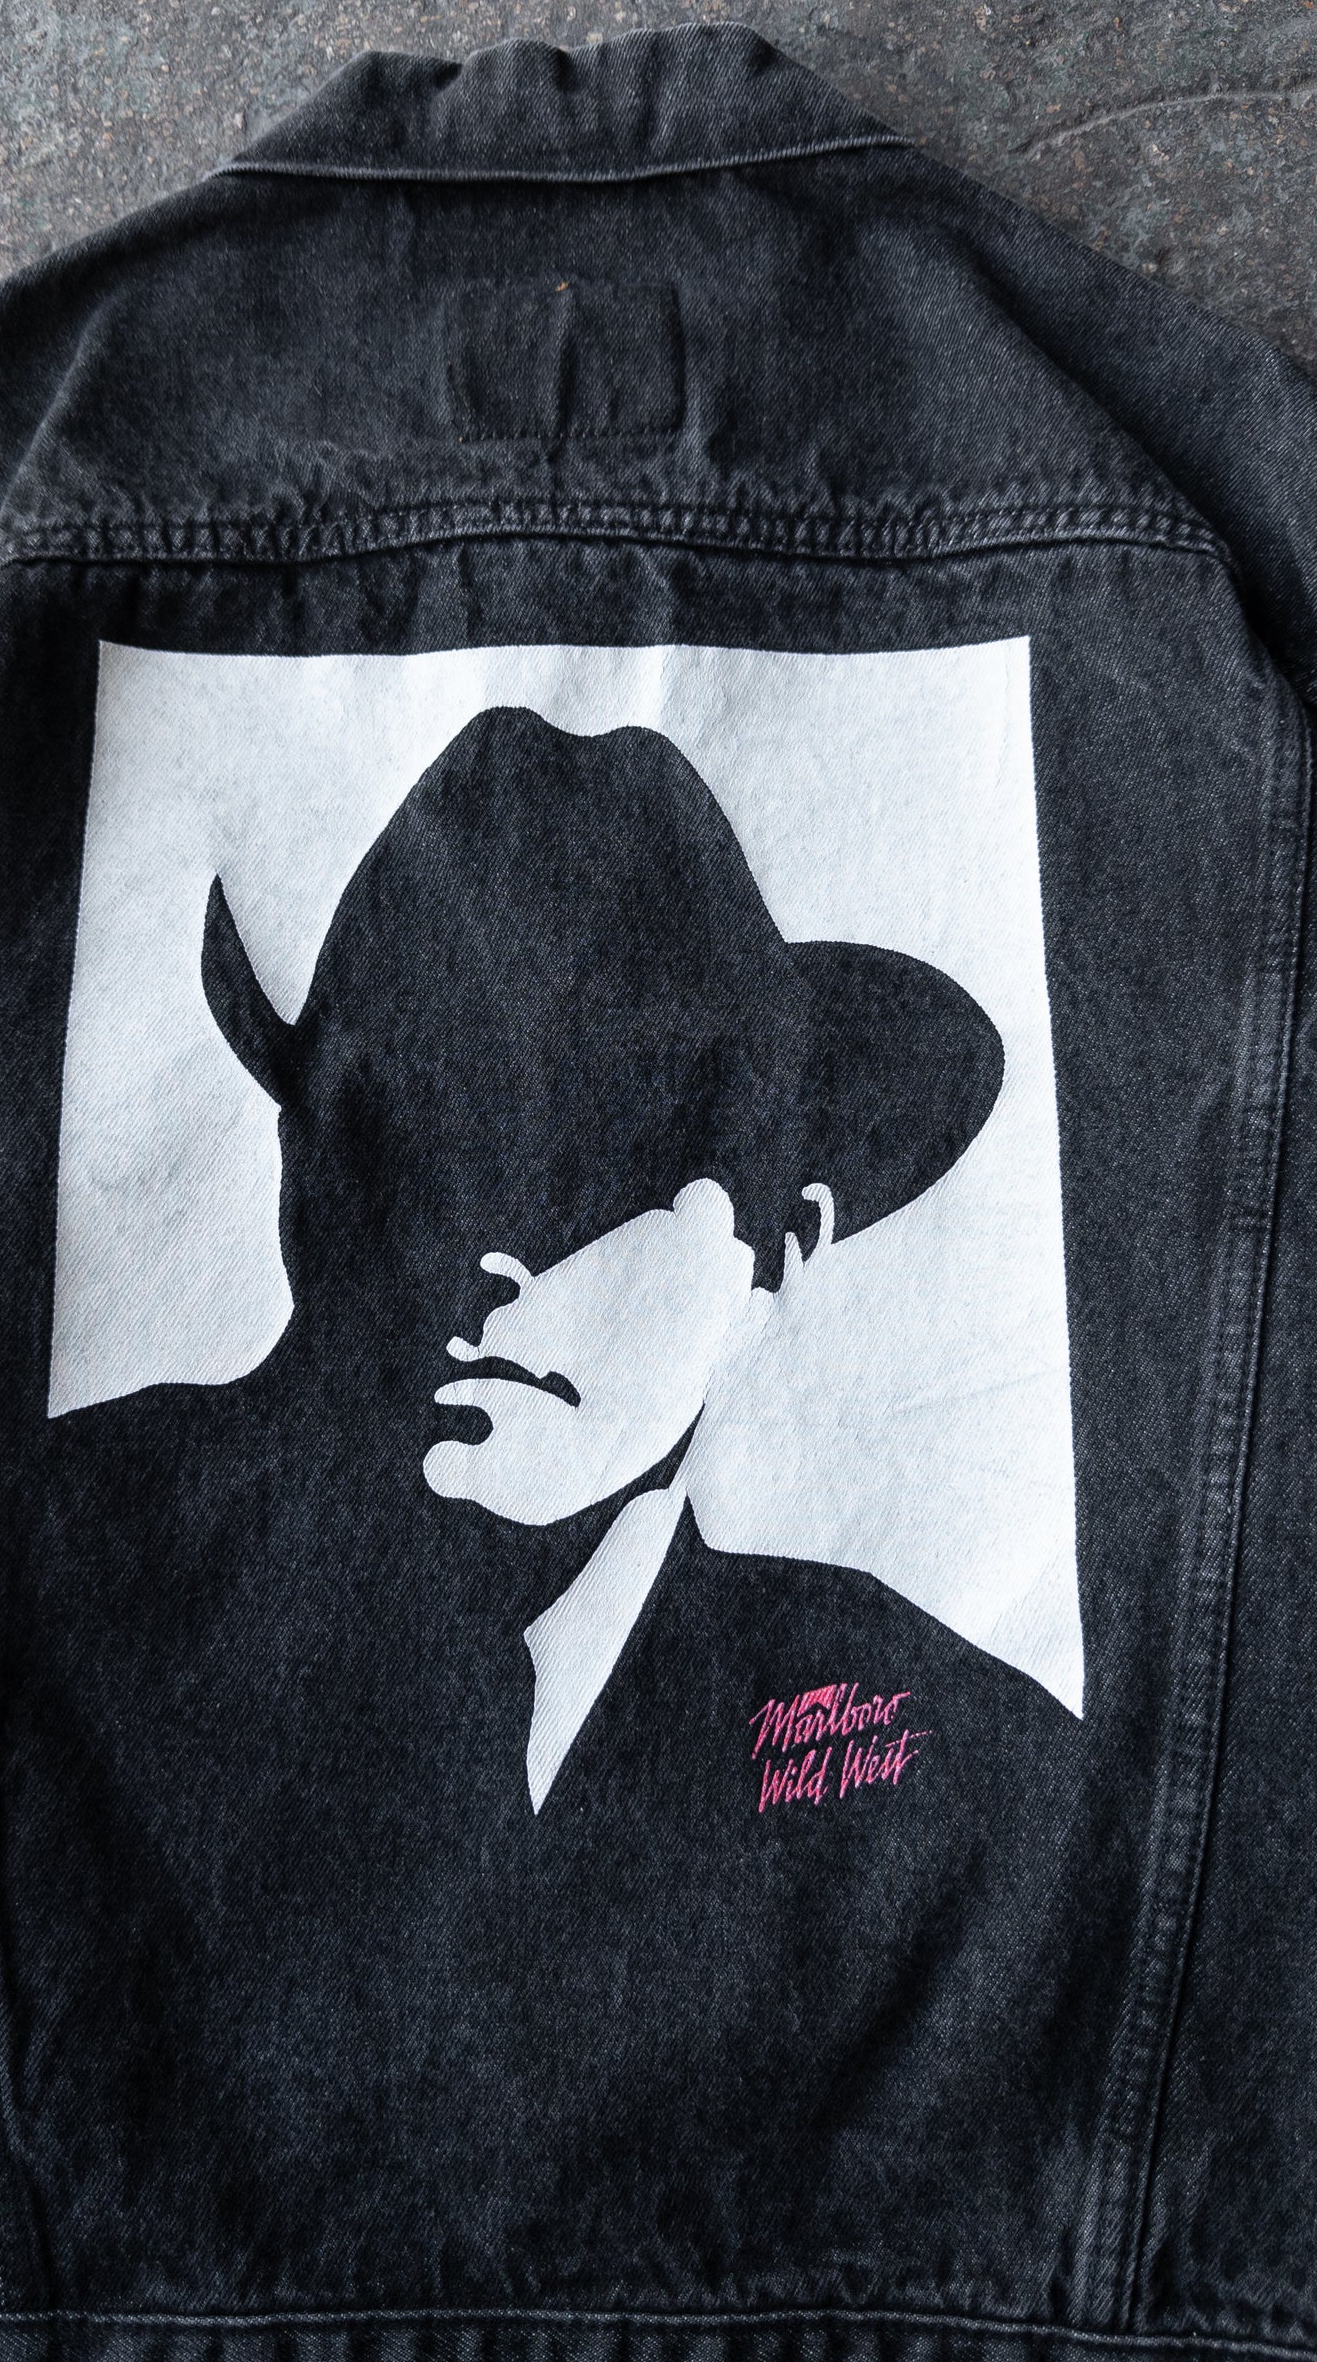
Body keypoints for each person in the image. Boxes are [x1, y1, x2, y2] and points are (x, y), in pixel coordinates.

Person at [202, 703, 1005, 1807]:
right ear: (308, 1183)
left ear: (783, 1254)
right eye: (431, 1151)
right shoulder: (65, 1566)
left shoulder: (928, 1737)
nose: (497, 1253)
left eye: (615, 1174)